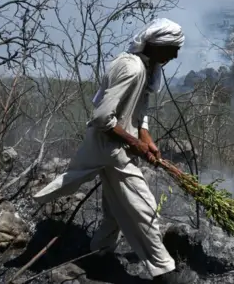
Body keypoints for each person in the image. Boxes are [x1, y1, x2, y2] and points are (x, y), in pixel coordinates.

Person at [33, 18, 196, 284]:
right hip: (112, 150)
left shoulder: (145, 66)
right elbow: (102, 117)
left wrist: (145, 137)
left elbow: (137, 110)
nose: (175, 55)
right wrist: (135, 144)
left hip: (115, 147)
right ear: (155, 45)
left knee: (115, 209)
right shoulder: (131, 69)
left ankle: (98, 254)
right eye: (172, 48)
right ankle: (164, 271)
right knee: (145, 208)